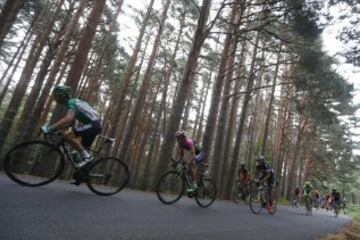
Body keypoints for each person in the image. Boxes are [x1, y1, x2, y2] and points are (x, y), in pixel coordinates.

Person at [41, 85, 102, 168]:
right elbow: (70, 123)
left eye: (57, 96)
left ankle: (88, 158)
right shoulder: (73, 103)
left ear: (63, 96)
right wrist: (58, 129)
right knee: (77, 153)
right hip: (93, 125)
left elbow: (68, 118)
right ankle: (83, 174)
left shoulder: (71, 102)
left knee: (68, 135)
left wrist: (50, 128)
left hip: (93, 125)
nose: (55, 98)